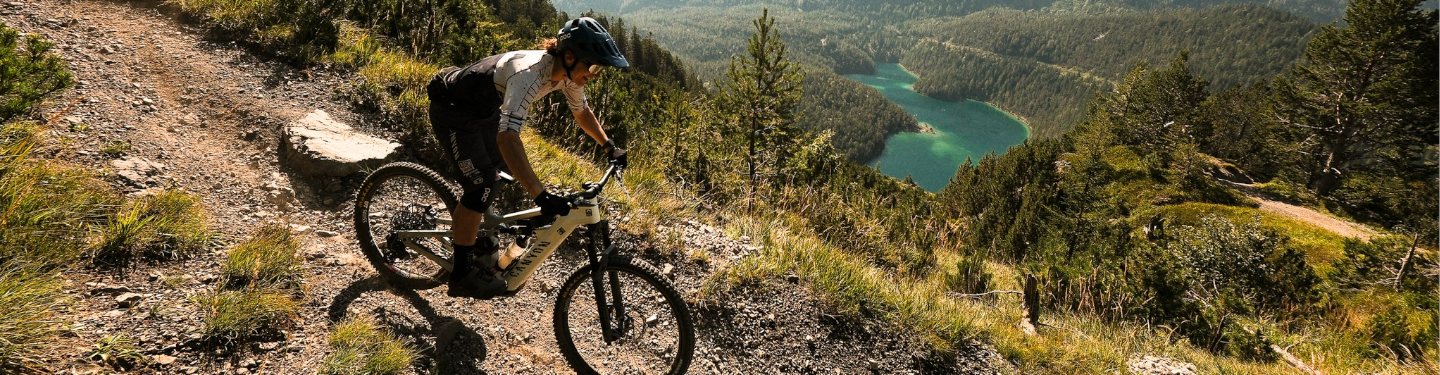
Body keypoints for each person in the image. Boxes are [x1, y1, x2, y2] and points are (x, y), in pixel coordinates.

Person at [425, 17, 629, 299]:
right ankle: (461, 275)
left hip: (482, 110)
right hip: (453, 110)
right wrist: (540, 195)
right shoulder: (528, 76)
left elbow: (581, 112)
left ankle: (479, 238)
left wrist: (609, 146)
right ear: (569, 57)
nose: (595, 75)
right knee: (482, 183)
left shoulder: (567, 75)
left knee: (503, 171)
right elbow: (507, 138)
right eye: (593, 67)